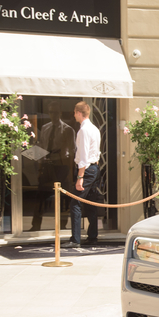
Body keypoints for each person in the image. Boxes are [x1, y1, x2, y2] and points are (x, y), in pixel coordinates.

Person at [30, 101, 76, 231]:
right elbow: (42, 146)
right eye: (51, 112)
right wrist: (39, 165)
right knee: (40, 196)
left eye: (55, 112)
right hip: (47, 166)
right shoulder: (45, 128)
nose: (53, 115)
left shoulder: (67, 130)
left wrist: (69, 172)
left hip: (61, 166)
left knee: (63, 198)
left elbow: (72, 151)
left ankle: (62, 226)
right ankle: (35, 226)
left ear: (60, 113)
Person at [62, 101, 101, 248]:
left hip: (87, 170)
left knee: (75, 203)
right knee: (90, 204)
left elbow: (83, 156)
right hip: (94, 169)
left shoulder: (84, 130)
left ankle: (75, 239)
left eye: (74, 112)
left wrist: (80, 177)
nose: (73, 115)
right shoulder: (95, 129)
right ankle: (92, 237)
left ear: (79, 113)